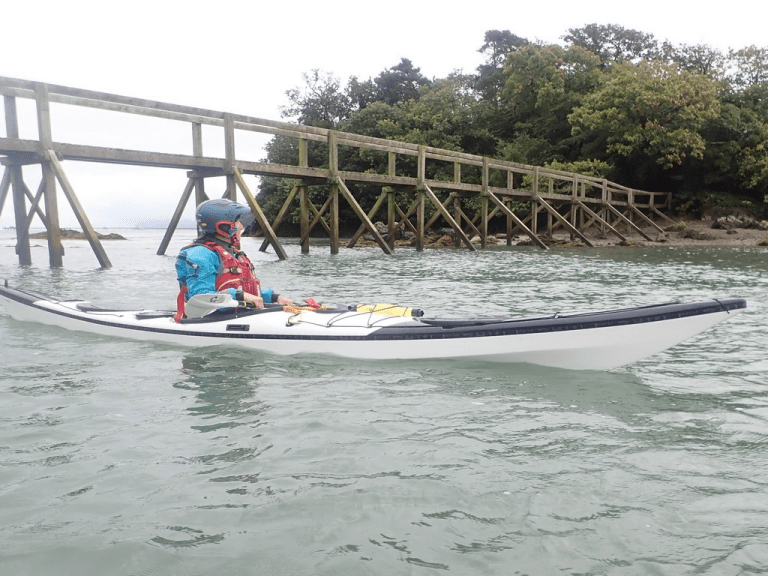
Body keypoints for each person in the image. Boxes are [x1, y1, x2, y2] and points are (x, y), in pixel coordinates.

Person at [174, 199, 292, 322]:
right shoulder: (200, 254)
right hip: (209, 318)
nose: (241, 227)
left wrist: (273, 297)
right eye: (237, 222)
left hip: (238, 315)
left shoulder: (234, 253)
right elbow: (201, 297)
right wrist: (240, 296)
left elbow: (245, 288)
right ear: (223, 226)